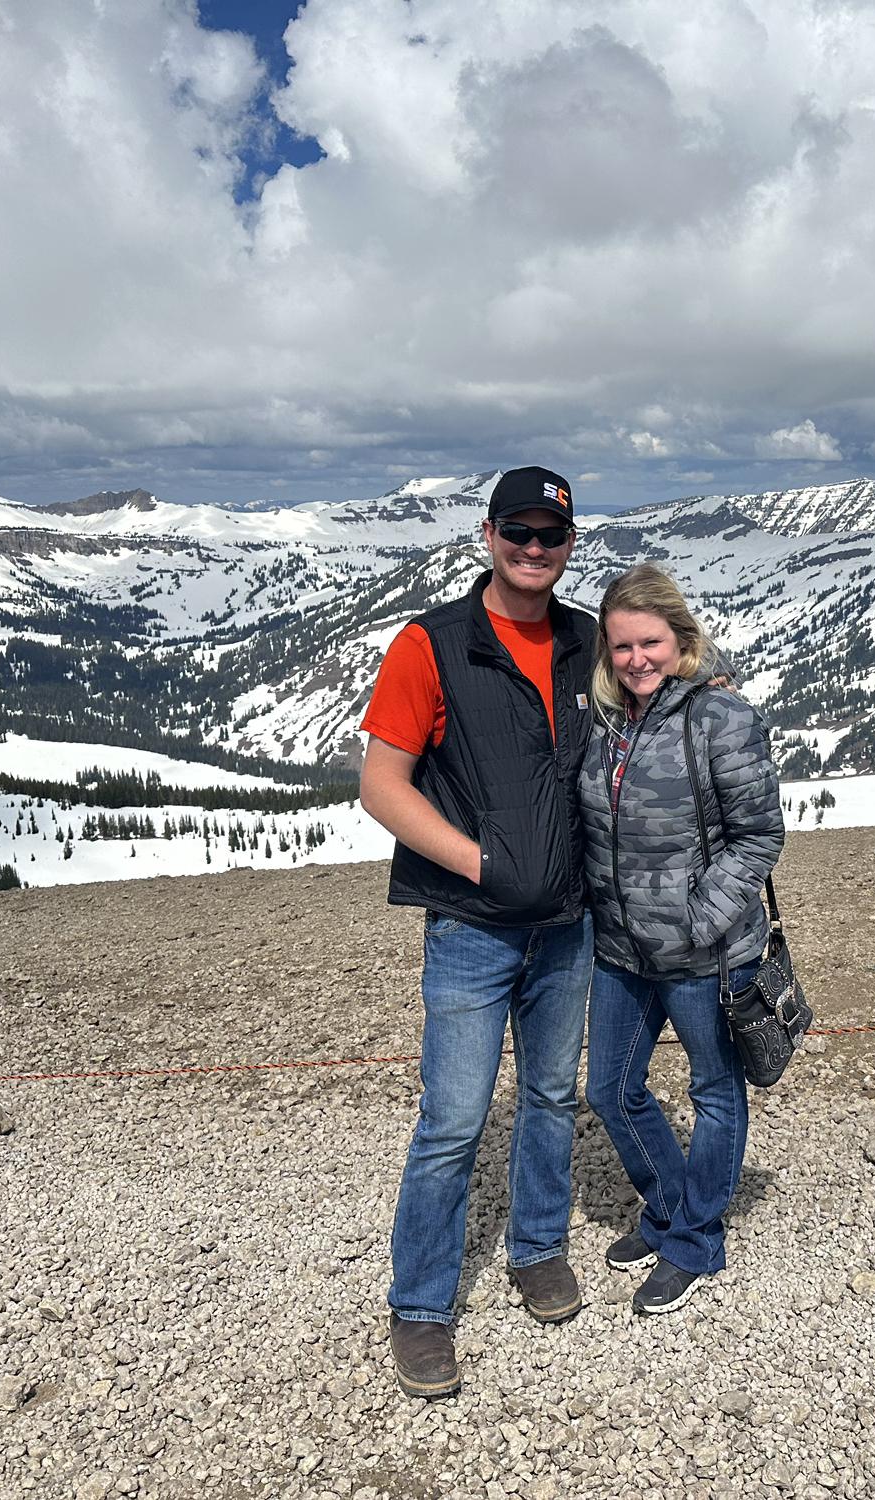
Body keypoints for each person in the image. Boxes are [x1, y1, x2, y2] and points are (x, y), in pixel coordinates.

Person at [358, 466, 596, 1400]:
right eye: (518, 532)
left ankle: (536, 1248)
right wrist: (476, 863)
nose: (534, 548)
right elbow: (383, 786)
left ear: (569, 543)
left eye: (551, 535)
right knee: (454, 1120)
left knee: (549, 1096)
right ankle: (421, 1304)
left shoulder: (585, 640)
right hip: (471, 928)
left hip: (567, 925)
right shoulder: (432, 644)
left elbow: (660, 681)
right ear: (487, 535)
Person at [578, 564, 785, 1314]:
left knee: (715, 1092)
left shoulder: (720, 717)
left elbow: (759, 835)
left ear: (682, 639)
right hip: (621, 949)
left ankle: (695, 1241)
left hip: (705, 953)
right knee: (610, 1089)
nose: (637, 659)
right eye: (622, 646)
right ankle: (670, 1207)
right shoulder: (604, 721)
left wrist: (700, 917)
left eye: (651, 643)